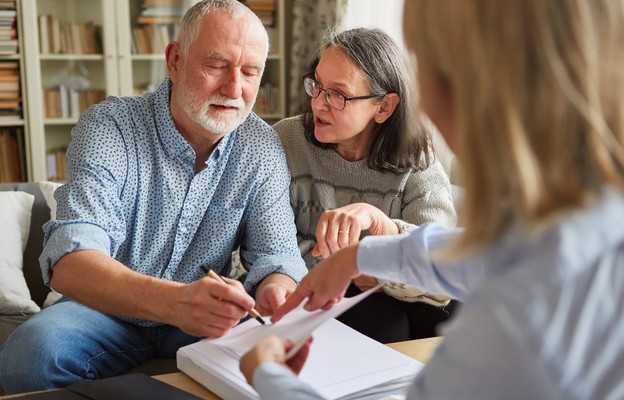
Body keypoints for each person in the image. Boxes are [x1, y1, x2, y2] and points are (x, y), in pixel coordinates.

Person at [240, 0, 624, 398]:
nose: (422, 104)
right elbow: (482, 251)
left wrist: (267, 375)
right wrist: (357, 257)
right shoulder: (580, 220)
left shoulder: (515, 320)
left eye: (430, 68)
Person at [0, 0, 308, 394]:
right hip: (104, 312)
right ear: (175, 60)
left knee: (285, 364)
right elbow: (70, 263)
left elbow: (277, 254)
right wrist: (176, 302)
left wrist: (277, 291)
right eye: (216, 65)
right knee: (29, 356)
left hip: (205, 321)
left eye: (250, 72)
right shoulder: (110, 126)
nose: (234, 89)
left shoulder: (260, 146)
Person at [273, 27, 457, 343]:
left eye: (338, 95)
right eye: (317, 86)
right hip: (316, 288)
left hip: (395, 290)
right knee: (385, 324)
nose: (318, 104)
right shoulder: (284, 141)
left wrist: (384, 235)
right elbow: (267, 245)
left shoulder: (416, 154)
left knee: (452, 315)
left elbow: (443, 262)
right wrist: (349, 264)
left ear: (383, 107)